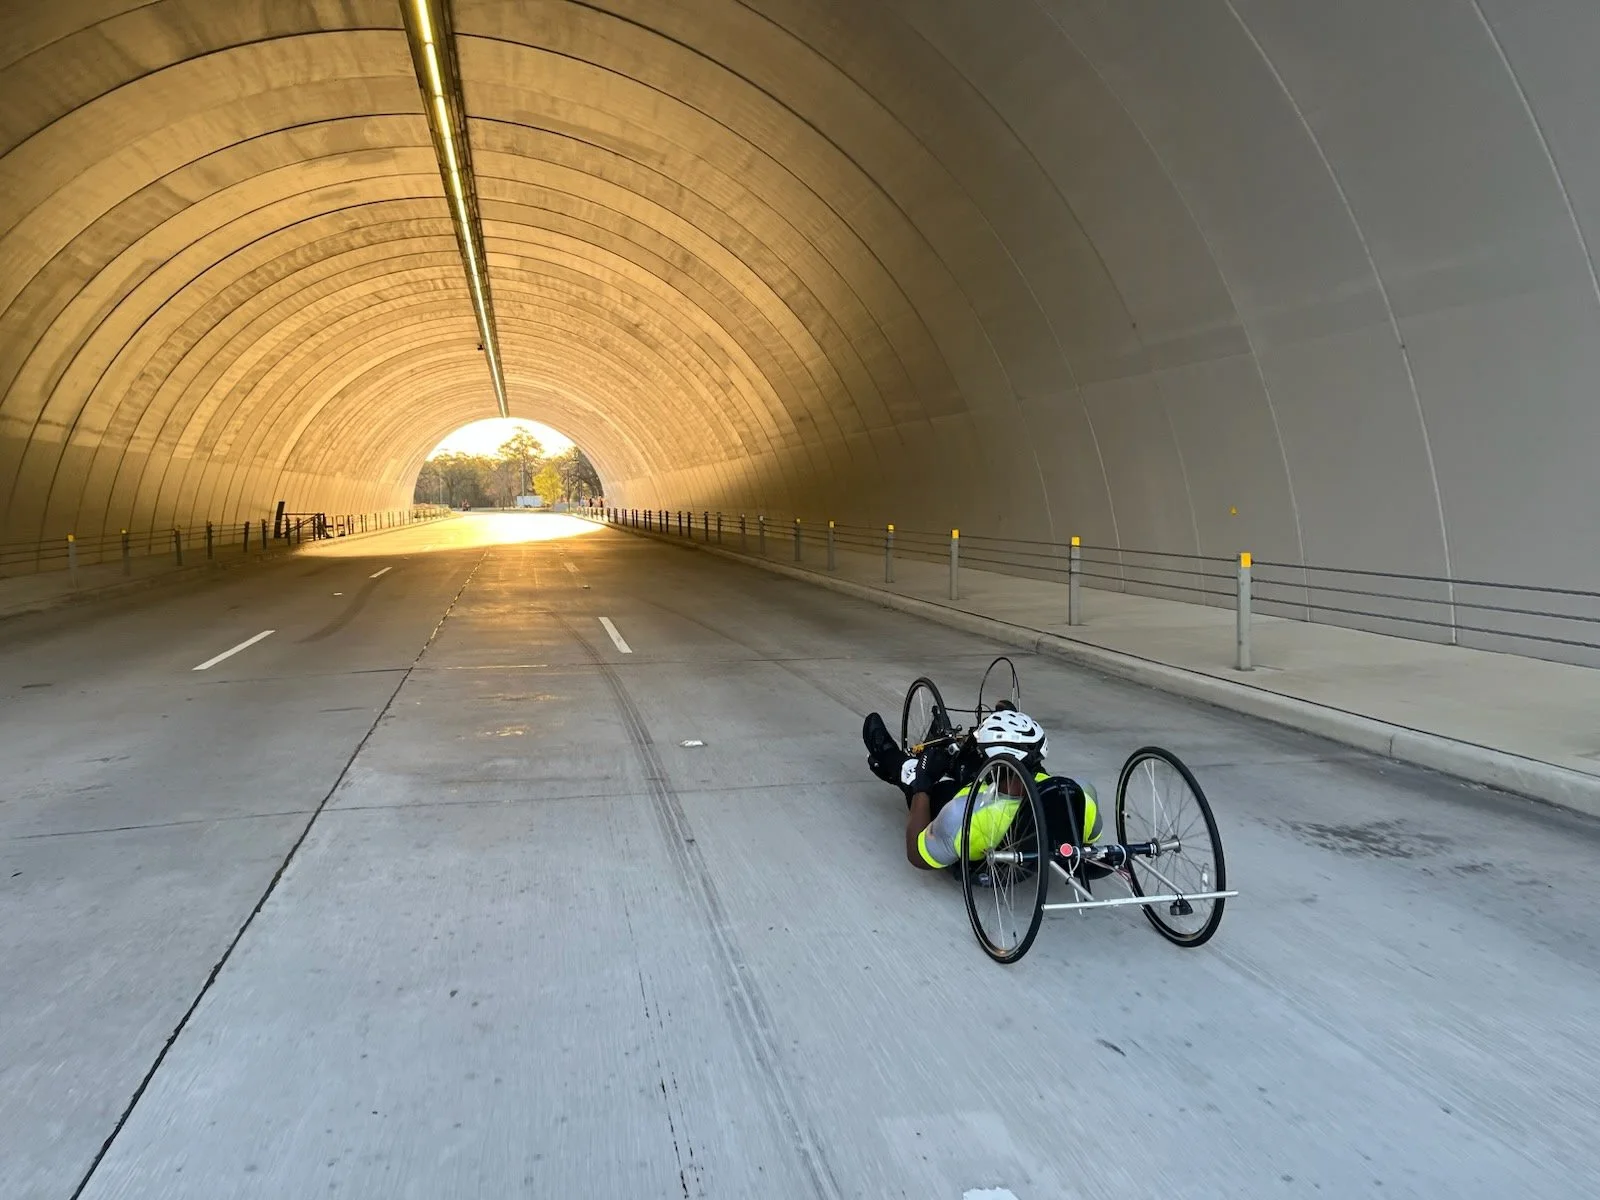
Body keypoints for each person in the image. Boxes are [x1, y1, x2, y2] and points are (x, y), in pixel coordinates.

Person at [863, 705, 1102, 873]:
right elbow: (1090, 839)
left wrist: (922, 786)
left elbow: (918, 857)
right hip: (1019, 810)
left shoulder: (960, 814)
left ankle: (891, 759)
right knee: (971, 768)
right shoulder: (1080, 793)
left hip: (966, 806)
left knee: (922, 776)